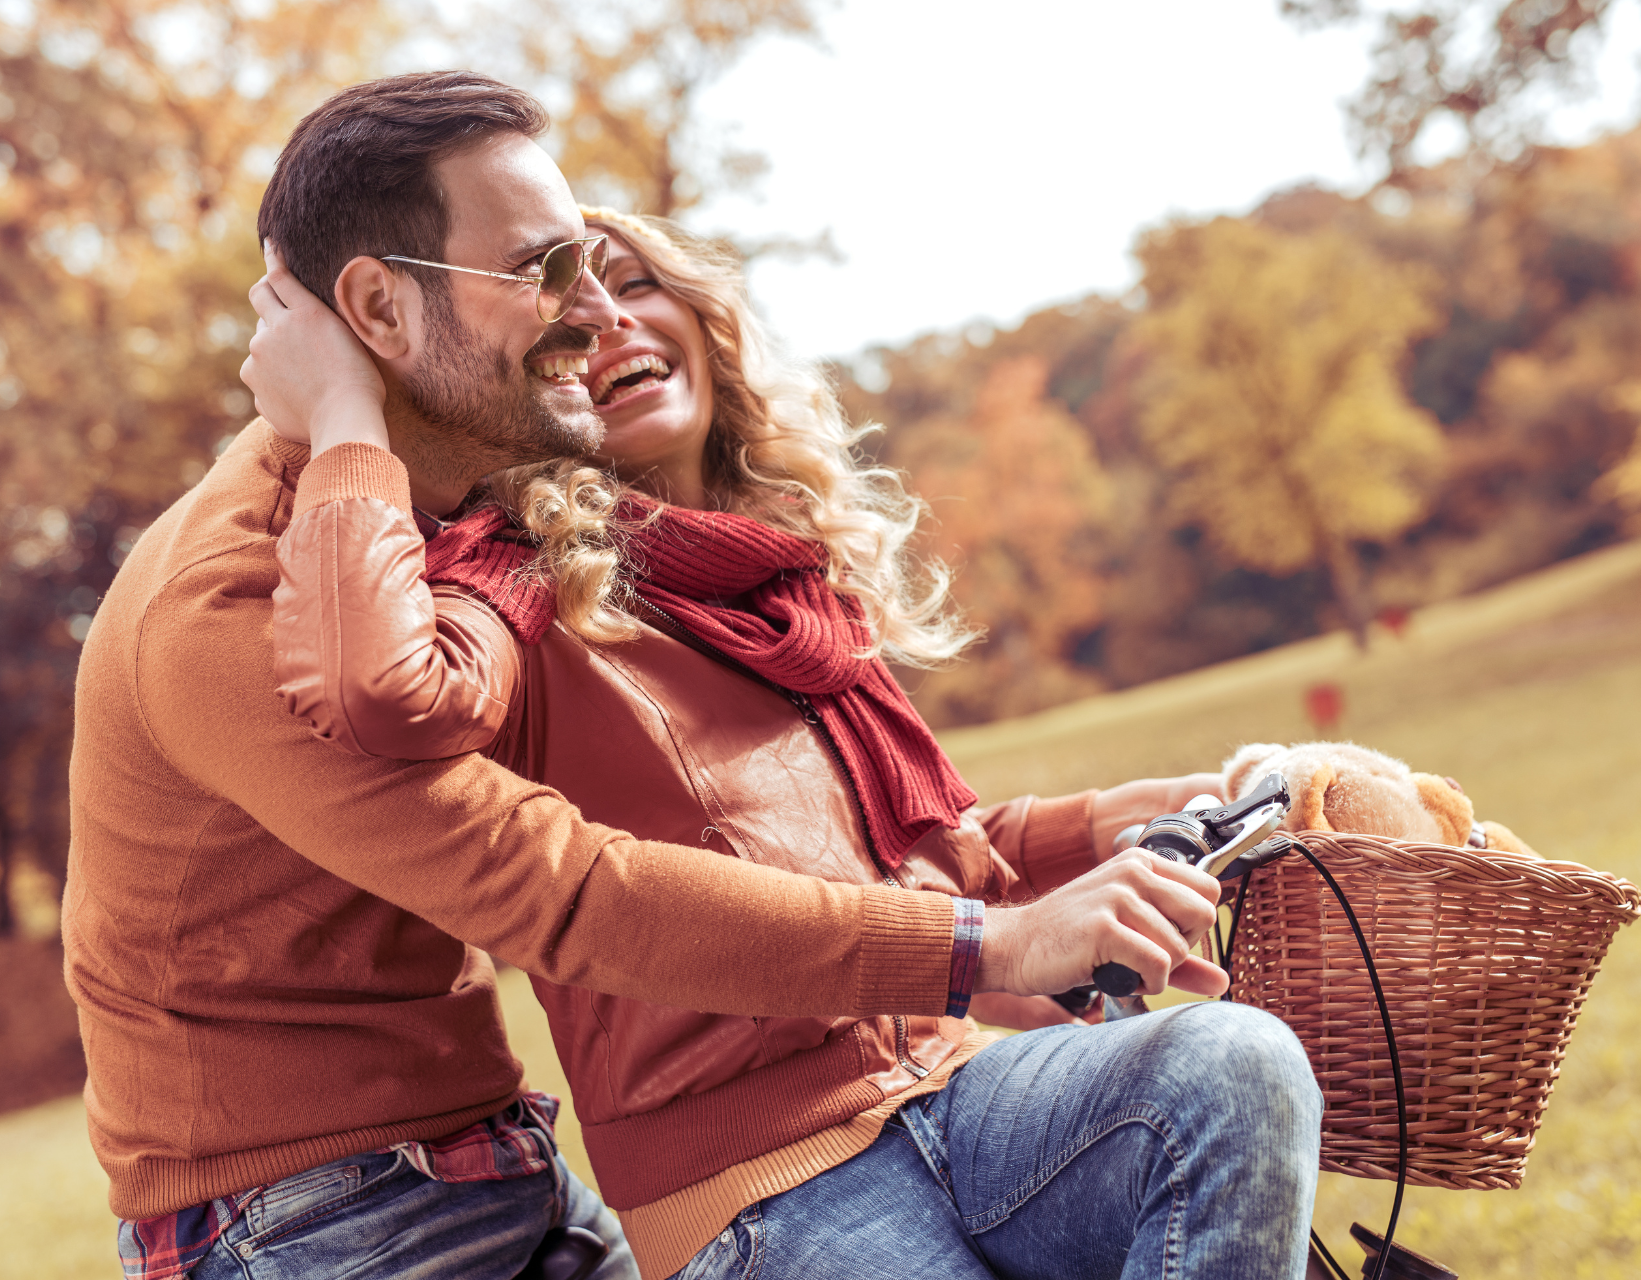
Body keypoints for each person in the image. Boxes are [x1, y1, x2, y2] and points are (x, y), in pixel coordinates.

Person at [67, 70, 1224, 1280]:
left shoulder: (444, 533)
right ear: (377, 308)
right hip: (302, 1223)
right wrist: (989, 945)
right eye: (543, 269)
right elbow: (561, 887)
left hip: (491, 1156)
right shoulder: (233, 601)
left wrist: (1080, 848)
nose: (590, 312)